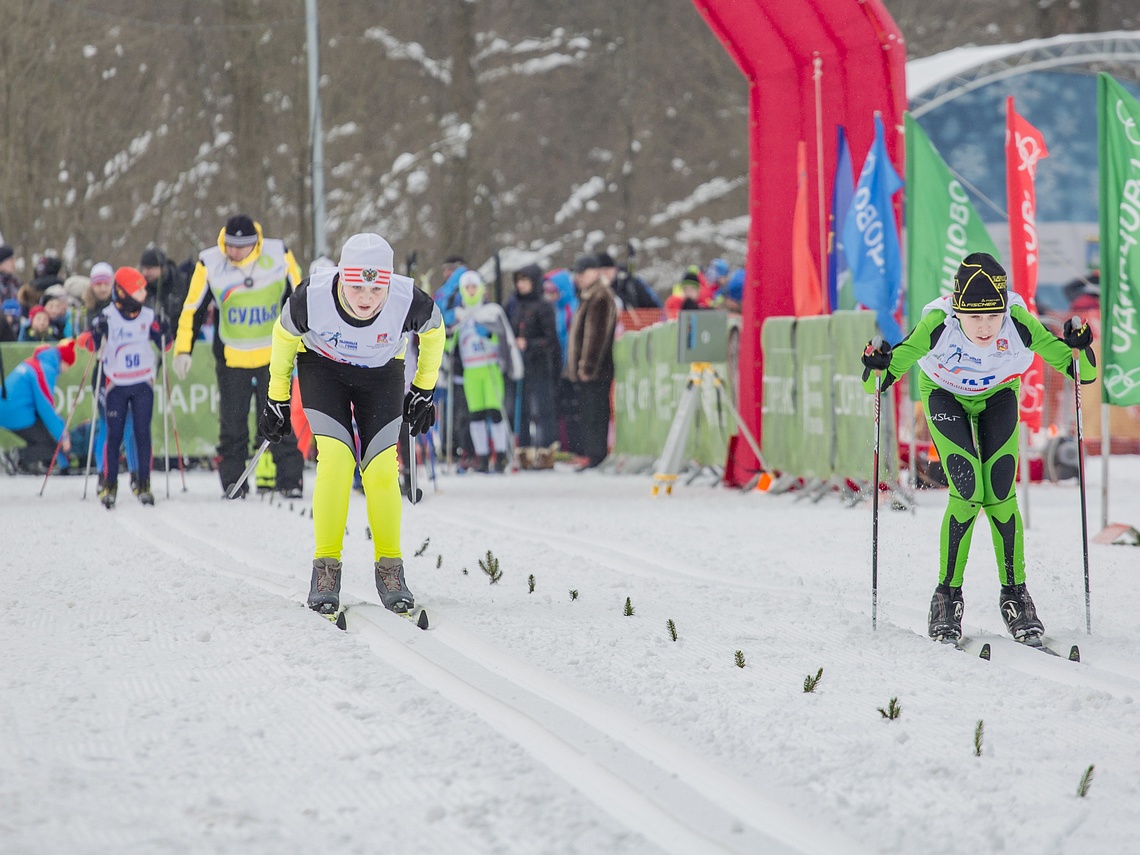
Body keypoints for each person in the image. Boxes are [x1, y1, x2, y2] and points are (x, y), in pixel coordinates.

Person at [860, 252, 1097, 645]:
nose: (986, 327)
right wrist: (876, 362)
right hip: (944, 395)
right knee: (968, 492)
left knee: (1001, 493)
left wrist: (1081, 346)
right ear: (957, 311)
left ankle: (1015, 595)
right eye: (975, 318)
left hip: (998, 396)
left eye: (993, 316)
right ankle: (947, 597)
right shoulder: (938, 324)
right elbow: (877, 384)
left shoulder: (1018, 322)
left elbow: (1080, 373)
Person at [258, 232, 444, 616]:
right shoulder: (312, 296)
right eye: (357, 286)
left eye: (377, 289)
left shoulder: (408, 298)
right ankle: (325, 570)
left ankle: (391, 569)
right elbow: (283, 335)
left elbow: (435, 332)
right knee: (338, 462)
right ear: (342, 276)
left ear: (389, 283)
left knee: (380, 470)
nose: (366, 298)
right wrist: (277, 396)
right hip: (324, 371)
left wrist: (423, 388)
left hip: (381, 375)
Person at [171, 214, 306, 498]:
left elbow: (302, 296)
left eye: (240, 247)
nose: (233, 252)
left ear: (254, 244)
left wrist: (308, 342)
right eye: (229, 245)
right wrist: (183, 349)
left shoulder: (278, 253)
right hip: (232, 358)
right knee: (232, 424)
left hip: (273, 355)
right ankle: (234, 482)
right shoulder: (210, 262)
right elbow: (192, 308)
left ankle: (290, 481)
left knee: (278, 418)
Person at [85, 267, 170, 508]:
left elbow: (166, 344)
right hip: (115, 383)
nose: (144, 293)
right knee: (114, 435)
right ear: (123, 292)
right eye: (139, 289)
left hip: (142, 381)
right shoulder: (108, 316)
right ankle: (109, 484)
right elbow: (91, 345)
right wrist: (96, 333)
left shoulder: (148, 316)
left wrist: (165, 330)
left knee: (142, 433)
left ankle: (143, 483)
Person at [453, 269, 523, 472]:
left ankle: (500, 455)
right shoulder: (459, 315)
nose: (472, 291)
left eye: (475, 287)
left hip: (490, 366)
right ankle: (482, 456)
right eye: (467, 287)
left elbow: (505, 338)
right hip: (471, 370)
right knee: (476, 415)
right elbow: (450, 344)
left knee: (495, 412)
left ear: (482, 289)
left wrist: (490, 334)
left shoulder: (492, 311)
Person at [566, 254, 617, 470]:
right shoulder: (588, 295)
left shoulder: (600, 296)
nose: (578, 278)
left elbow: (596, 335)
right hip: (587, 370)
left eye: (582, 273)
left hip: (596, 370)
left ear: (594, 272)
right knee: (587, 412)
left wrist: (587, 366)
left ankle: (596, 454)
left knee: (596, 412)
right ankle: (590, 452)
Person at [0, 338, 77, 473]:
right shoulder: (45, 370)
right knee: (50, 446)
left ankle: (23, 462)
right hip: (15, 412)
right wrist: (63, 437)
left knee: (41, 435)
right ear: (63, 360)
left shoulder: (34, 362)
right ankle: (16, 457)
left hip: (7, 407)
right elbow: (45, 407)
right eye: (68, 365)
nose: (66, 370)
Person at [507, 264, 560, 450]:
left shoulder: (544, 306)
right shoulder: (517, 304)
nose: (520, 285)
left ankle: (547, 447)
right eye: (518, 281)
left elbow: (551, 339)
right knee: (521, 410)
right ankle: (524, 447)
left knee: (544, 409)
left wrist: (529, 344)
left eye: (525, 281)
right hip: (521, 366)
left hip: (539, 365)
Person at [139, 247, 189, 327]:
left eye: (150, 268)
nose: (146, 272)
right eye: (144, 268)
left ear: (163, 268)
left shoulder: (180, 283)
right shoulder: (140, 286)